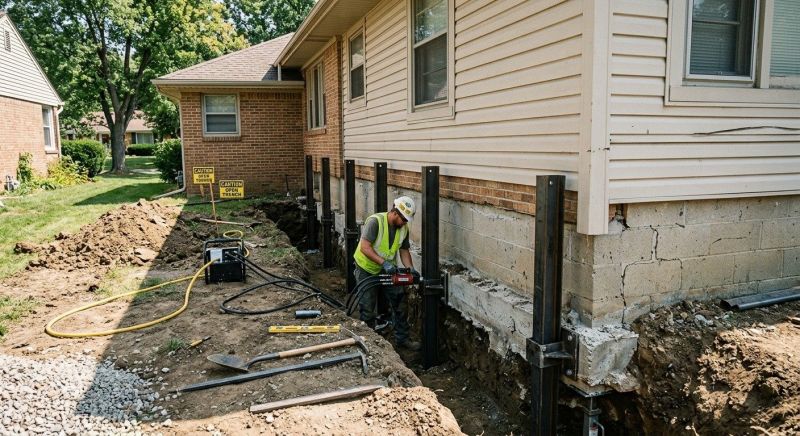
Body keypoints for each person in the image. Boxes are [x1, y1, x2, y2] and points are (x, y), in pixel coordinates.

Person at [353, 196, 421, 350]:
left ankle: (402, 339)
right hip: (366, 269)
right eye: (404, 219)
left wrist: (410, 268)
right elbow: (365, 247)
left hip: (389, 270)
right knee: (367, 307)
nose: (405, 223)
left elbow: (404, 250)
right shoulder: (375, 222)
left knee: (399, 302)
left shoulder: (403, 228)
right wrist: (383, 262)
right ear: (395, 213)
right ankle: (370, 344)